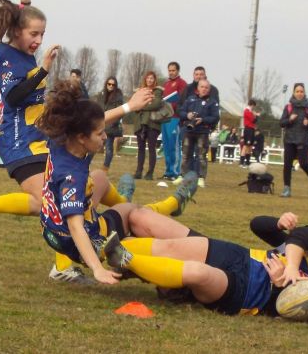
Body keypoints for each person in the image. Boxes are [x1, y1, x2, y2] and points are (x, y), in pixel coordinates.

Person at [0, 0, 91, 283]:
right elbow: (14, 97)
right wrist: (43, 69)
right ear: (17, 32)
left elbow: (23, 26)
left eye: (42, 34)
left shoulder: (22, 49)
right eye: (34, 34)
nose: (38, 40)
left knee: (46, 201)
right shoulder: (6, 56)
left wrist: (26, 4)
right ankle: (61, 267)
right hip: (17, 141)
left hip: (38, 139)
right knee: (55, 200)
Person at [104, 211, 308, 324]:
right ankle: (106, 250)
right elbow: (302, 235)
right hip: (242, 257)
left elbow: (287, 310)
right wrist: (290, 267)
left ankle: (126, 259)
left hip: (246, 294)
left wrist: (287, 291)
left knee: (196, 273)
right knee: (170, 248)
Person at [37, 80, 202, 284]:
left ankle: (125, 197)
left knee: (99, 178)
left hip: (50, 228)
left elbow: (97, 121)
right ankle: (173, 203)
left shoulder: (63, 139)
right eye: (100, 134)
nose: (105, 136)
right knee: (132, 211)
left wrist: (129, 107)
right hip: (86, 241)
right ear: (81, 137)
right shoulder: (72, 177)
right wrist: (97, 269)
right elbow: (75, 227)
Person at [176, 79, 219, 188]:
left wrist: (203, 119)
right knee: (185, 154)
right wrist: (187, 115)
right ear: (198, 88)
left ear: (209, 89)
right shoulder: (190, 99)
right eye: (202, 87)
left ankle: (201, 178)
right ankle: (182, 176)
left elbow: (215, 117)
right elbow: (180, 111)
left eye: (206, 87)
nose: (204, 89)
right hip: (188, 131)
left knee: (201, 156)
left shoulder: (212, 102)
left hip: (202, 132)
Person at [279, 83, 308, 198]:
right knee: (287, 164)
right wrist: (289, 120)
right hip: (289, 139)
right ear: (293, 93)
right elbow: (281, 123)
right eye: (297, 91)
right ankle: (287, 188)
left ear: (304, 93)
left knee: (303, 163)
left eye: (301, 91)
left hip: (302, 139)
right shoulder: (288, 107)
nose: (299, 93)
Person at [133, 71, 164, 180]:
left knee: (151, 148)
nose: (150, 80)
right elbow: (134, 104)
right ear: (145, 79)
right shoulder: (140, 91)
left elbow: (156, 104)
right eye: (148, 78)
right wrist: (145, 104)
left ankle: (150, 172)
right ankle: (138, 171)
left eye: (152, 78)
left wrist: (142, 106)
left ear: (155, 80)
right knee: (140, 148)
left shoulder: (158, 91)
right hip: (140, 123)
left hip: (152, 123)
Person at [161, 62, 187, 180]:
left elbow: (183, 101)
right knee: (166, 146)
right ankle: (168, 171)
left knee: (174, 146)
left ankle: (175, 172)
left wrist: (174, 104)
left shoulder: (182, 84)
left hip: (175, 118)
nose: (171, 72)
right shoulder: (166, 84)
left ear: (178, 71)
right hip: (165, 118)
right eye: (169, 70)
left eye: (173, 70)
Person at [97, 76, 124, 173]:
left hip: (111, 126)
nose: (111, 86)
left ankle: (105, 168)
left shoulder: (118, 96)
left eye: (113, 84)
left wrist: (112, 122)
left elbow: (120, 111)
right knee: (93, 147)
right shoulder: (101, 95)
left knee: (108, 147)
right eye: (109, 84)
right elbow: (98, 108)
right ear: (106, 84)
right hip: (99, 124)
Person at [240, 100, 260, 167]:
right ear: (251, 105)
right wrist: (257, 115)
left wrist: (254, 114)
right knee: (246, 146)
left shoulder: (250, 112)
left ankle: (247, 162)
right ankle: (241, 162)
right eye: (253, 106)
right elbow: (253, 120)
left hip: (251, 130)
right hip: (248, 129)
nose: (253, 108)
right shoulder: (247, 111)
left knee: (250, 146)